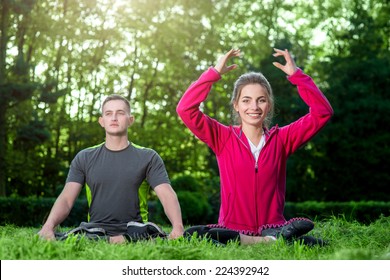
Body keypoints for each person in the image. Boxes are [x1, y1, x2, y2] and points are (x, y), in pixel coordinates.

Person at [176, 48, 333, 246]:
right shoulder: (222, 137)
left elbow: (322, 112)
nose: (254, 107)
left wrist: (297, 75)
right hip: (232, 227)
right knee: (195, 234)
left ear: (269, 104)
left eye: (261, 100)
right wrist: (214, 73)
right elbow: (185, 109)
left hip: (273, 224)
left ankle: (270, 238)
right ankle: (275, 241)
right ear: (236, 105)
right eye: (246, 100)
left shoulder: (282, 139)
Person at [39, 94, 184, 243]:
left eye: (120, 113)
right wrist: (48, 226)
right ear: (102, 121)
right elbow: (66, 199)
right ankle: (111, 240)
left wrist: (178, 228)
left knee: (149, 232)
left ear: (130, 120)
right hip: (95, 230)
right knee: (77, 237)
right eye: (108, 113)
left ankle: (118, 239)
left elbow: (167, 195)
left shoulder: (148, 157)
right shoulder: (84, 157)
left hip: (135, 230)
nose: (114, 118)